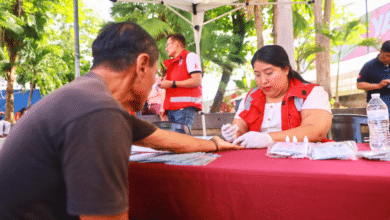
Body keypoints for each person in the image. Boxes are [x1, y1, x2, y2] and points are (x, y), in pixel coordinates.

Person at [0, 21, 243, 220]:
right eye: (156, 75)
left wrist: (213, 144)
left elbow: (161, 138)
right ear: (142, 65)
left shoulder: (85, 94)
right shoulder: (100, 113)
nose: (155, 85)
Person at [221, 45, 333, 148]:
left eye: (269, 73)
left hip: (302, 160)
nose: (263, 81)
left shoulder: (312, 93)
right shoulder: (250, 97)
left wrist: (268, 138)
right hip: (257, 161)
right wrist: (233, 135)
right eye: (258, 75)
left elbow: (315, 130)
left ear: (286, 69)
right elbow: (239, 129)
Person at [158, 33, 202, 129]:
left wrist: (171, 83)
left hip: (184, 108)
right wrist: (164, 108)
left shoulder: (190, 56)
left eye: (168, 45)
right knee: (176, 142)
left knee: (182, 141)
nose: (166, 48)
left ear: (176, 43)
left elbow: (197, 80)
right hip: (172, 109)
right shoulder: (173, 64)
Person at [356, 40, 390, 115]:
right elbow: (359, 85)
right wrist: (378, 86)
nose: (389, 59)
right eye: (388, 56)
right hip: (377, 103)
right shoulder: (369, 66)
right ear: (381, 52)